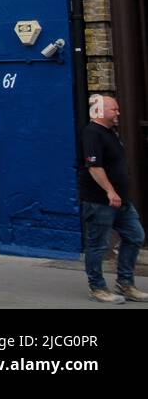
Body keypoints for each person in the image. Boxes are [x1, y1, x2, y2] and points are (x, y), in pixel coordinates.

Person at [80, 92, 146, 303]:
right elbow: (94, 166)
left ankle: (125, 283)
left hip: (121, 201)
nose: (118, 112)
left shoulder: (110, 132)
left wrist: (119, 194)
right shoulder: (92, 133)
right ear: (99, 111)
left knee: (135, 236)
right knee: (97, 245)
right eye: (114, 109)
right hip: (100, 201)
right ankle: (97, 288)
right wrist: (110, 191)